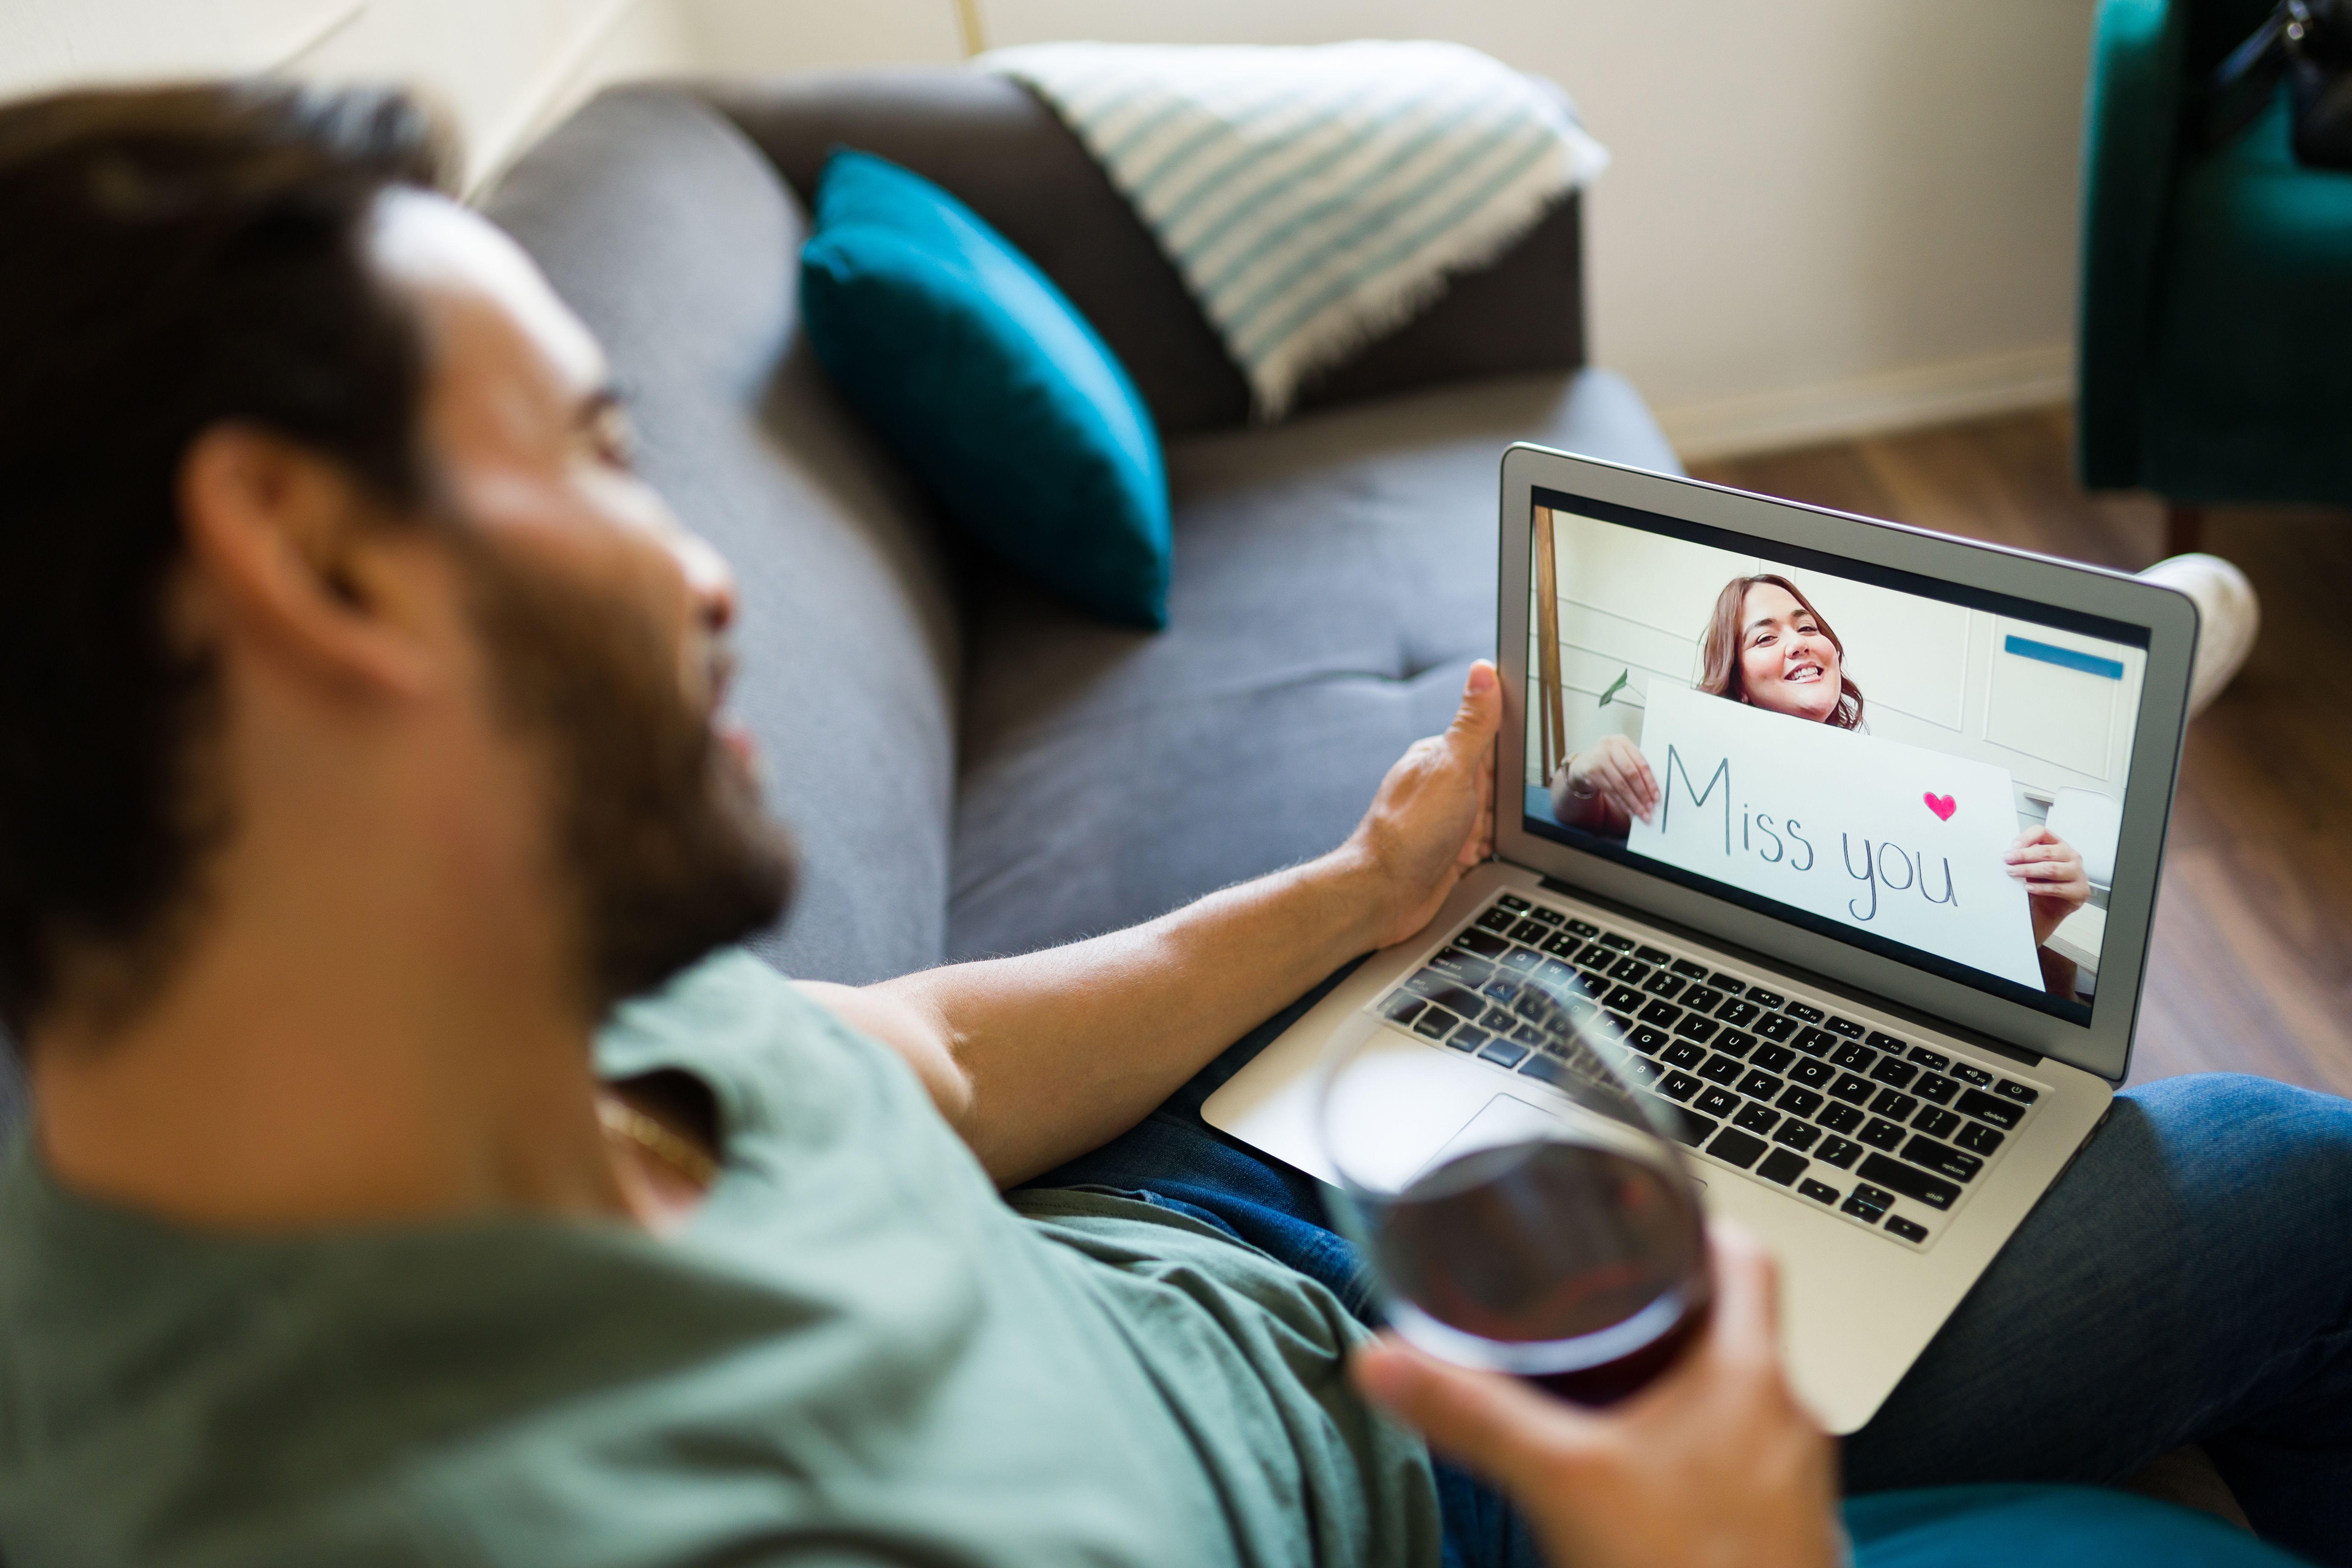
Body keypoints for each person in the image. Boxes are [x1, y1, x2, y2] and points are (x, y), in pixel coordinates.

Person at [1, 81, 2349, 1568]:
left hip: (1222, 1217)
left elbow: (891, 1057)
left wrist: (1354, 899)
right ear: (311, 566)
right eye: (604, 458)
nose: (704, 568)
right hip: (1432, 1485)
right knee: (2311, 1201)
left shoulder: (449, 982)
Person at [1551, 574, 2092, 997]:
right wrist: (1580, 772)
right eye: (1766, 637)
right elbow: (1578, 814)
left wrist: (2043, 916)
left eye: (1808, 629)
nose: (1800, 644)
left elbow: (1952, 958)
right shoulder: (1698, 774)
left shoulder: (1902, 795)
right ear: (1738, 684)